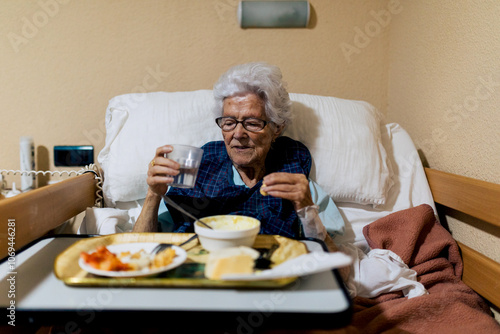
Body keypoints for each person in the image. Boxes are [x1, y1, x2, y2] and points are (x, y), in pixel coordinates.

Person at [133, 62, 344, 251]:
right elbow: (138, 251)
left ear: (277, 128)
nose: (238, 134)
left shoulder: (294, 179)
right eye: (229, 122)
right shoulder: (196, 168)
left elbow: (340, 272)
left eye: (252, 123)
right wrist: (153, 194)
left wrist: (307, 211)